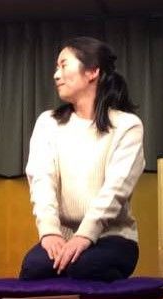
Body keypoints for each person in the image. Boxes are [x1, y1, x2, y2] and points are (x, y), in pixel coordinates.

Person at [20, 36, 146, 282]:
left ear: (92, 72)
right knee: (34, 269)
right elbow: (41, 180)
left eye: (64, 65)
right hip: (63, 237)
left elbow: (116, 189)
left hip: (113, 237)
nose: (56, 75)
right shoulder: (48, 122)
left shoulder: (127, 125)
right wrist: (49, 232)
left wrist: (85, 235)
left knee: (85, 268)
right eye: (56, 68)